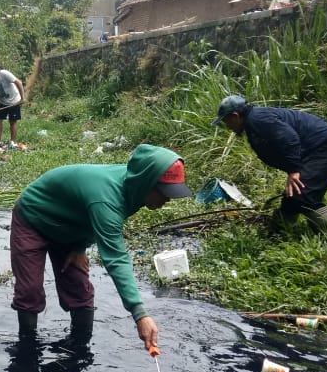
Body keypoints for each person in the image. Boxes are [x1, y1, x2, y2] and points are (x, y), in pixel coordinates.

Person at [10, 144, 193, 355]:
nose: (168, 198)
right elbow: (115, 257)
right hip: (33, 218)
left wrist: (79, 247)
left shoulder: (134, 189)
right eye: (164, 192)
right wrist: (140, 314)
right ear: (147, 184)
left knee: (79, 289)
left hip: (69, 228)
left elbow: (90, 213)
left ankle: (79, 351)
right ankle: (27, 354)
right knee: (30, 292)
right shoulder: (108, 198)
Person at [213, 95, 327, 234]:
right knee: (291, 197)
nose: (228, 126)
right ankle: (278, 235)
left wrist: (294, 171)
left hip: (324, 147)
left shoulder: (259, 119)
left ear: (235, 116)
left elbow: (289, 139)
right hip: (312, 150)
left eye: (227, 121)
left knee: (304, 195)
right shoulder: (252, 124)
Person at [0, 61, 24, 147]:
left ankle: (12, 142)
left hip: (14, 101)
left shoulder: (5, 74)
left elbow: (19, 83)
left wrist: (22, 98)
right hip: (2, 102)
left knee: (12, 122)